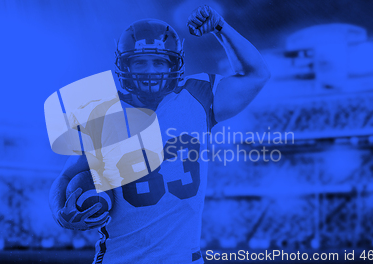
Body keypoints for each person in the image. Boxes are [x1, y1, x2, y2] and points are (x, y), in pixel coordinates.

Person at [49, 5, 270, 264]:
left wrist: (221, 28)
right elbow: (66, 175)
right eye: (139, 62)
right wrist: (59, 211)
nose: (150, 70)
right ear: (125, 64)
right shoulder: (102, 114)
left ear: (174, 64)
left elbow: (257, 74)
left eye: (159, 61)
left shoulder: (198, 97)